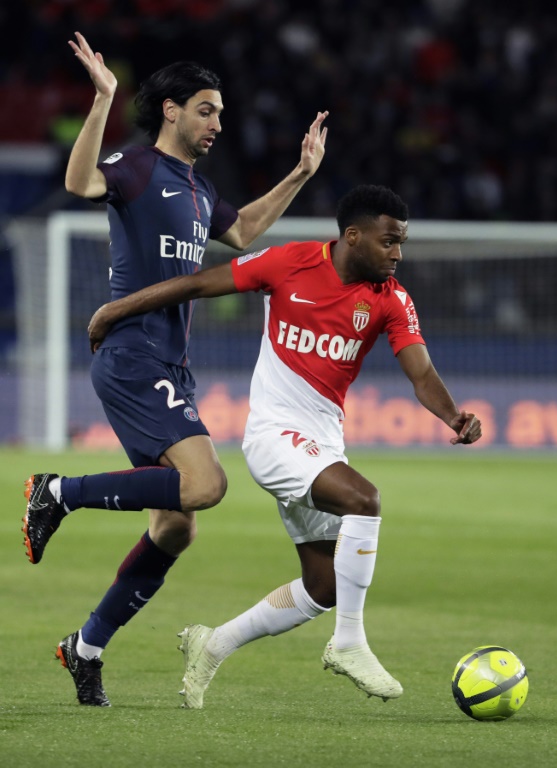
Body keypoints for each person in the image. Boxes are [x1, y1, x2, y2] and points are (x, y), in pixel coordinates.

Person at [21, 31, 328, 708]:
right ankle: (57, 492)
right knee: (205, 484)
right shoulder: (135, 165)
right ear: (171, 110)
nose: (216, 123)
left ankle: (85, 648)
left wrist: (301, 173)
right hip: (132, 355)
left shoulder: (198, 187)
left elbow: (242, 233)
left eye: (219, 113)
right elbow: (79, 182)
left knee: (176, 524)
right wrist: (103, 98)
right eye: (205, 110)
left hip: (170, 365)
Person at [87, 184, 482, 708]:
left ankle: (213, 644)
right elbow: (198, 283)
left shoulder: (391, 300)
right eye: (389, 242)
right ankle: (349, 642)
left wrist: (453, 415)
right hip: (274, 436)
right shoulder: (290, 263)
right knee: (364, 500)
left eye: (401, 244)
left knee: (324, 586)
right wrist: (115, 310)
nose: (397, 255)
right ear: (353, 236)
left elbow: (422, 373)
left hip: (323, 442)